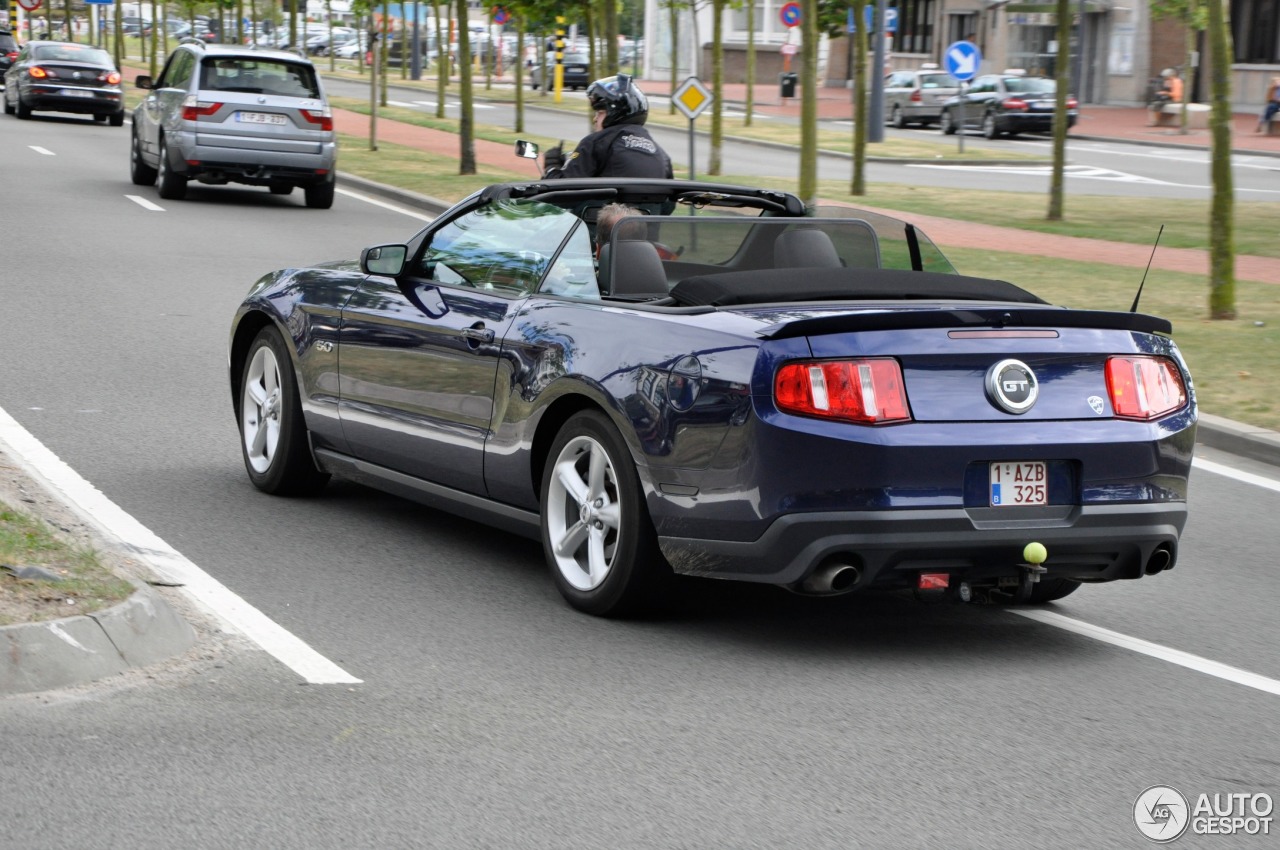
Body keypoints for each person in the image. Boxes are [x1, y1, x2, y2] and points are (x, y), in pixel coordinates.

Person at [542, 74, 673, 179]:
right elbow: (668, 206)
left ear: (614, 113)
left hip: (605, 212)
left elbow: (561, 193)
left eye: (599, 113)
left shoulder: (594, 143)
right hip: (649, 213)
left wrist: (551, 166)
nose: (595, 119)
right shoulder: (661, 155)